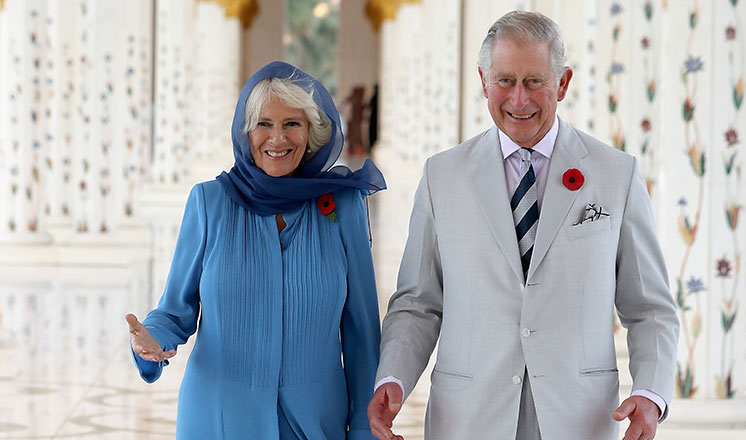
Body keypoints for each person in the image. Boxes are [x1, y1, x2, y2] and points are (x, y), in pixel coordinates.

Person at [367, 11, 679, 440]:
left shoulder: (616, 175)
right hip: (468, 417)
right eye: (505, 81)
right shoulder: (443, 176)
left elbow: (650, 309)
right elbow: (418, 303)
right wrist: (394, 378)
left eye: (534, 81)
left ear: (563, 83)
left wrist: (650, 391)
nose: (518, 99)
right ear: (483, 81)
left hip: (579, 417)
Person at [125, 61, 385, 439]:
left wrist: (364, 431)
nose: (277, 138)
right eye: (264, 124)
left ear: (311, 131)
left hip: (314, 424)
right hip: (218, 419)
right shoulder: (209, 203)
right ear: (245, 132)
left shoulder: (343, 207)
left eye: (291, 124)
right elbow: (175, 312)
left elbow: (363, 336)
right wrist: (150, 339)